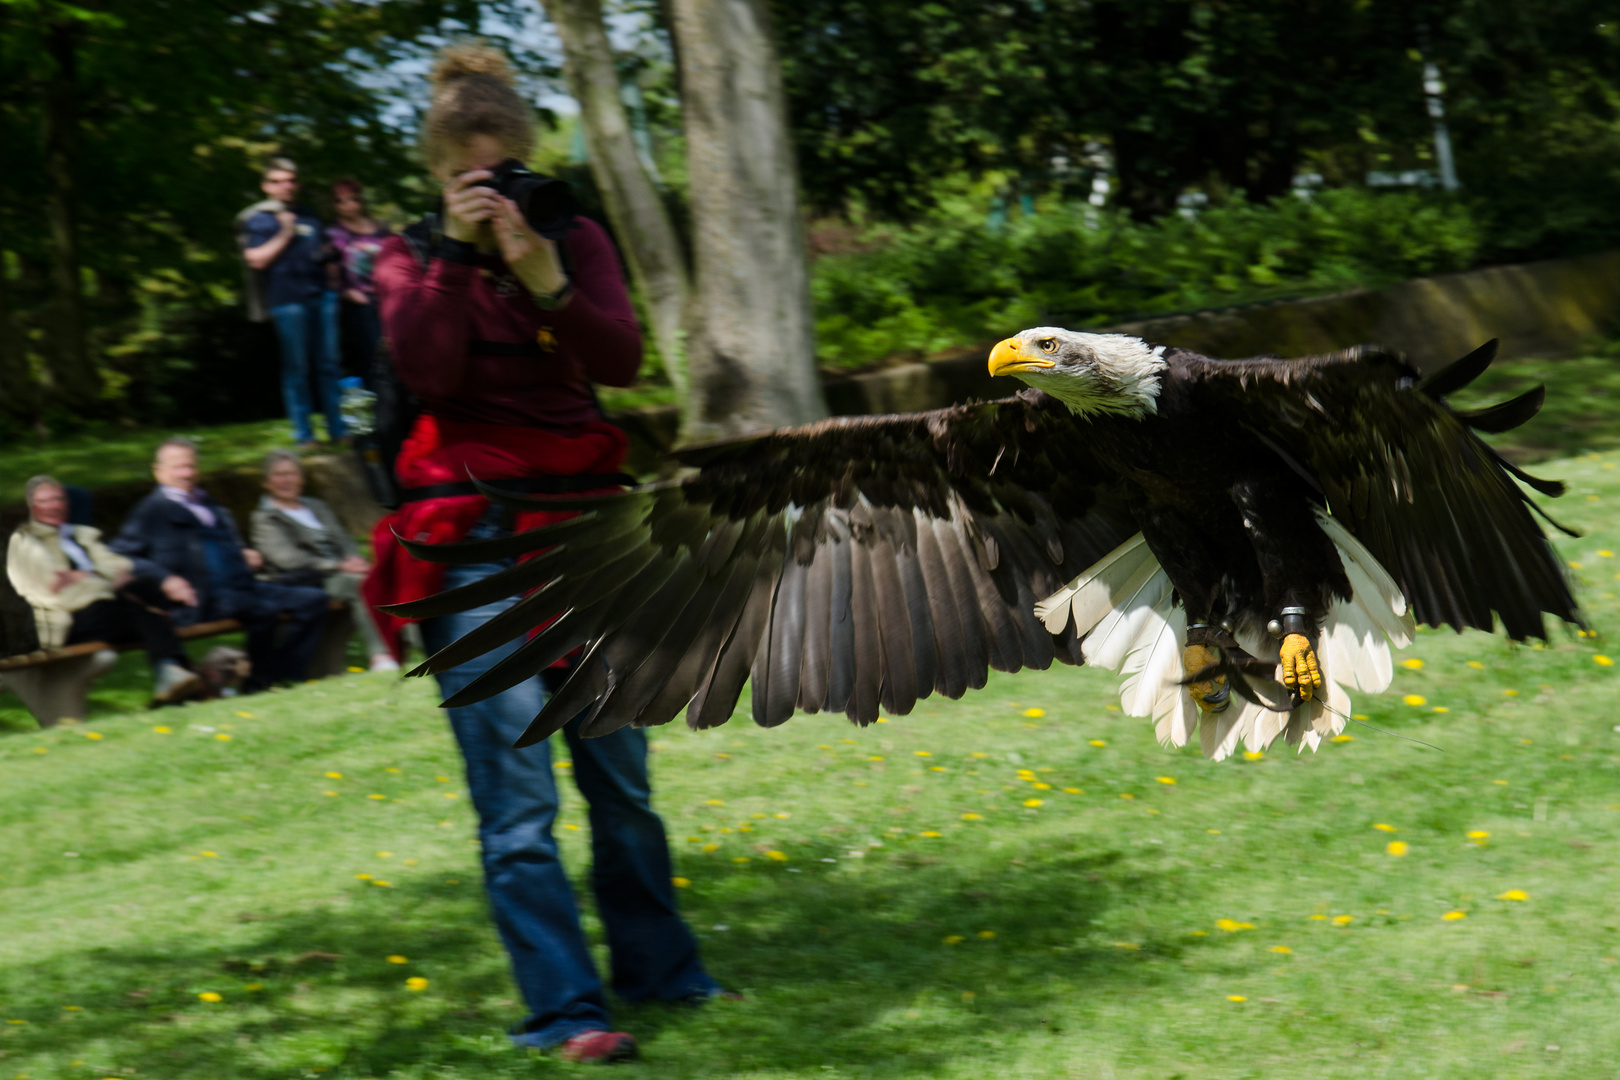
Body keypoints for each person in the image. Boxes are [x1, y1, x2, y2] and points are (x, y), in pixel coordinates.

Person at [366, 43, 721, 1064]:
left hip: (586, 532)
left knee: (624, 780)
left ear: (529, 159)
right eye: (470, 179)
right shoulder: (403, 259)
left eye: (505, 173)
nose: (494, 193)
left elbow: (619, 357)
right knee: (517, 798)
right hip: (468, 542)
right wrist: (451, 251)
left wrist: (547, 278)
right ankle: (565, 1011)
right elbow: (425, 373)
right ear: (439, 177)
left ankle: (667, 975)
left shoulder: (574, 238)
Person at [109, 438, 331, 693]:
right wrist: (164, 579)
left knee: (314, 600)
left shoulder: (206, 501)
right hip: (203, 598)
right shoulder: (151, 510)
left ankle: (288, 675)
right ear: (158, 471)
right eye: (178, 467)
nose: (187, 473)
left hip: (243, 586)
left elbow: (221, 545)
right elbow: (119, 556)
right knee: (263, 611)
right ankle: (259, 682)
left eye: (191, 466)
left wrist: (243, 553)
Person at [6, 476, 205, 705]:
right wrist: (102, 577)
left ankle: (173, 678)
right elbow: (53, 587)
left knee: (147, 592)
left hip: (107, 608)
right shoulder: (25, 543)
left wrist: (88, 576)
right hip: (66, 618)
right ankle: (176, 674)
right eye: (45, 501)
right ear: (32, 506)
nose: (54, 506)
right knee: (138, 607)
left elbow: (119, 566)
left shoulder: (81, 536)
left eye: (58, 499)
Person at [250, 449, 397, 672]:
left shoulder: (316, 506)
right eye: (279, 475)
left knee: (380, 575)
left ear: (301, 477)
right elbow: (288, 559)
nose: (286, 480)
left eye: (292, 473)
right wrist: (339, 565)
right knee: (358, 584)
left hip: (338, 573)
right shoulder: (264, 518)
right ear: (266, 482)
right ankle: (381, 655)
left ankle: (405, 646)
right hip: (307, 580)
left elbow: (343, 537)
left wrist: (354, 558)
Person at [240, 158, 348, 448]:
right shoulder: (259, 219)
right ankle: (305, 435)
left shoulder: (309, 214)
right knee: (296, 370)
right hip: (287, 301)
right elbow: (256, 259)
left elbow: (324, 249)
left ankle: (338, 430)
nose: (285, 186)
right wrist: (285, 232)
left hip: (320, 296)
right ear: (266, 186)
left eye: (290, 180)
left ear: (296, 184)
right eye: (277, 181)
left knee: (329, 366)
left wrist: (333, 280)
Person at [326, 178, 392, 379]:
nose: (348, 205)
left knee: (396, 353)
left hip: (389, 300)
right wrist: (349, 294)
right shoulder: (333, 235)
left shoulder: (381, 229)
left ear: (361, 200)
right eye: (340, 201)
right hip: (360, 304)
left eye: (352, 199)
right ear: (334, 204)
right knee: (374, 358)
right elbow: (332, 277)